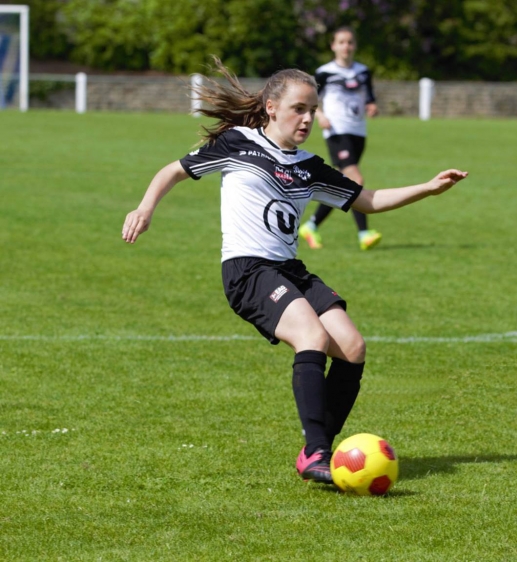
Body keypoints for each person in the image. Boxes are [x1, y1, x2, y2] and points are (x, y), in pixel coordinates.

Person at [121, 58, 467, 484]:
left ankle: (315, 450)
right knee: (312, 337)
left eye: (313, 110)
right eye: (298, 109)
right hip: (248, 270)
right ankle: (318, 450)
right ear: (271, 108)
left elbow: (369, 200)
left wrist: (428, 188)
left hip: (291, 270)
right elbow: (173, 171)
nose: (307, 119)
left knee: (352, 347)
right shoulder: (238, 143)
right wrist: (145, 208)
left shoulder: (310, 166)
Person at [299, 27, 384, 250]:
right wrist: (319, 115)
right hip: (336, 131)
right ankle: (364, 233)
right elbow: (309, 99)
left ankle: (311, 225)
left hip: (358, 131)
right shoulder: (324, 72)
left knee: (342, 184)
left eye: (350, 42)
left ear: (355, 45)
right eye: (341, 42)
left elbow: (370, 98)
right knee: (356, 180)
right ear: (333, 46)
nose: (346, 46)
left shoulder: (363, 71)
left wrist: (372, 107)